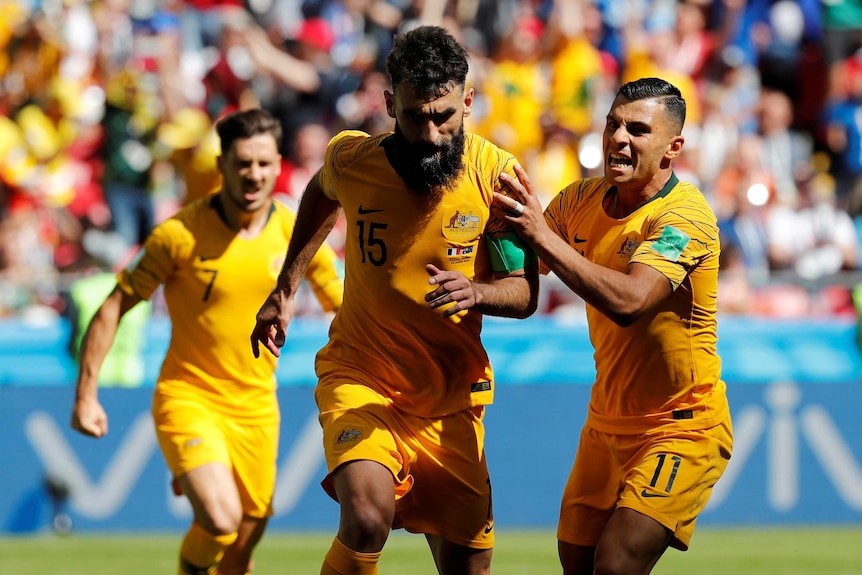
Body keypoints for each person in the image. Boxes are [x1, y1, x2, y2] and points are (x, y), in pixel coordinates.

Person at [250, 25, 539, 575]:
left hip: (450, 400)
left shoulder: (498, 180)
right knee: (365, 516)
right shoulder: (352, 160)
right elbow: (319, 194)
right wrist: (286, 287)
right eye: (414, 117)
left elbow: (525, 292)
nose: (430, 134)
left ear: (468, 102)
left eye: (444, 117)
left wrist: (477, 291)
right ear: (388, 105)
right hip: (362, 378)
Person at [70, 108, 344, 575]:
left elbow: (345, 304)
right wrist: (86, 394)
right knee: (220, 520)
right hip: (189, 396)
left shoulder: (294, 233)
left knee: (242, 549)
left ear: (278, 165)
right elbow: (115, 304)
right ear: (221, 166)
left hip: (258, 405)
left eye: (262, 163)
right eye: (241, 163)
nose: (252, 175)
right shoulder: (179, 235)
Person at [494, 77, 733, 574]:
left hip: (680, 426)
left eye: (638, 130)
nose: (618, 139)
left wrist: (541, 235)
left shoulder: (685, 218)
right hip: (605, 423)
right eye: (612, 125)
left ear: (673, 147)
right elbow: (518, 280)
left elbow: (632, 300)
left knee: (617, 563)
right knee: (576, 562)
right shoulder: (578, 200)